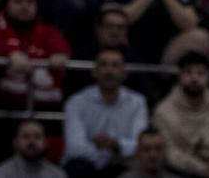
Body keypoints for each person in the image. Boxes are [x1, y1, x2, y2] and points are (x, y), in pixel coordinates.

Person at [0, 0, 71, 105]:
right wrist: (10, 54)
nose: (24, 6)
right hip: (1, 104)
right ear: (6, 4)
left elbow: (61, 48)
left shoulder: (48, 31)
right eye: (18, 1)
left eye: (30, 2)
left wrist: (61, 55)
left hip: (43, 105)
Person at [63, 48, 150, 178]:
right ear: (94, 72)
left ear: (124, 73)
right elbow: (74, 148)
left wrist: (116, 144)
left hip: (124, 165)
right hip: (90, 165)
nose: (109, 71)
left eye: (115, 65)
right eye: (104, 65)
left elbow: (140, 143)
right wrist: (110, 155)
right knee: (78, 166)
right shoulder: (76, 102)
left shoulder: (137, 102)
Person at [153, 51, 209, 177]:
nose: (194, 78)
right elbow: (167, 150)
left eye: (200, 73)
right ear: (179, 76)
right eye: (188, 72)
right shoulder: (163, 111)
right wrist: (199, 168)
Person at [0, 118, 68, 178]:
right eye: (26, 136)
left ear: (45, 142)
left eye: (37, 136)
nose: (32, 141)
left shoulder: (57, 175)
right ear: (15, 142)